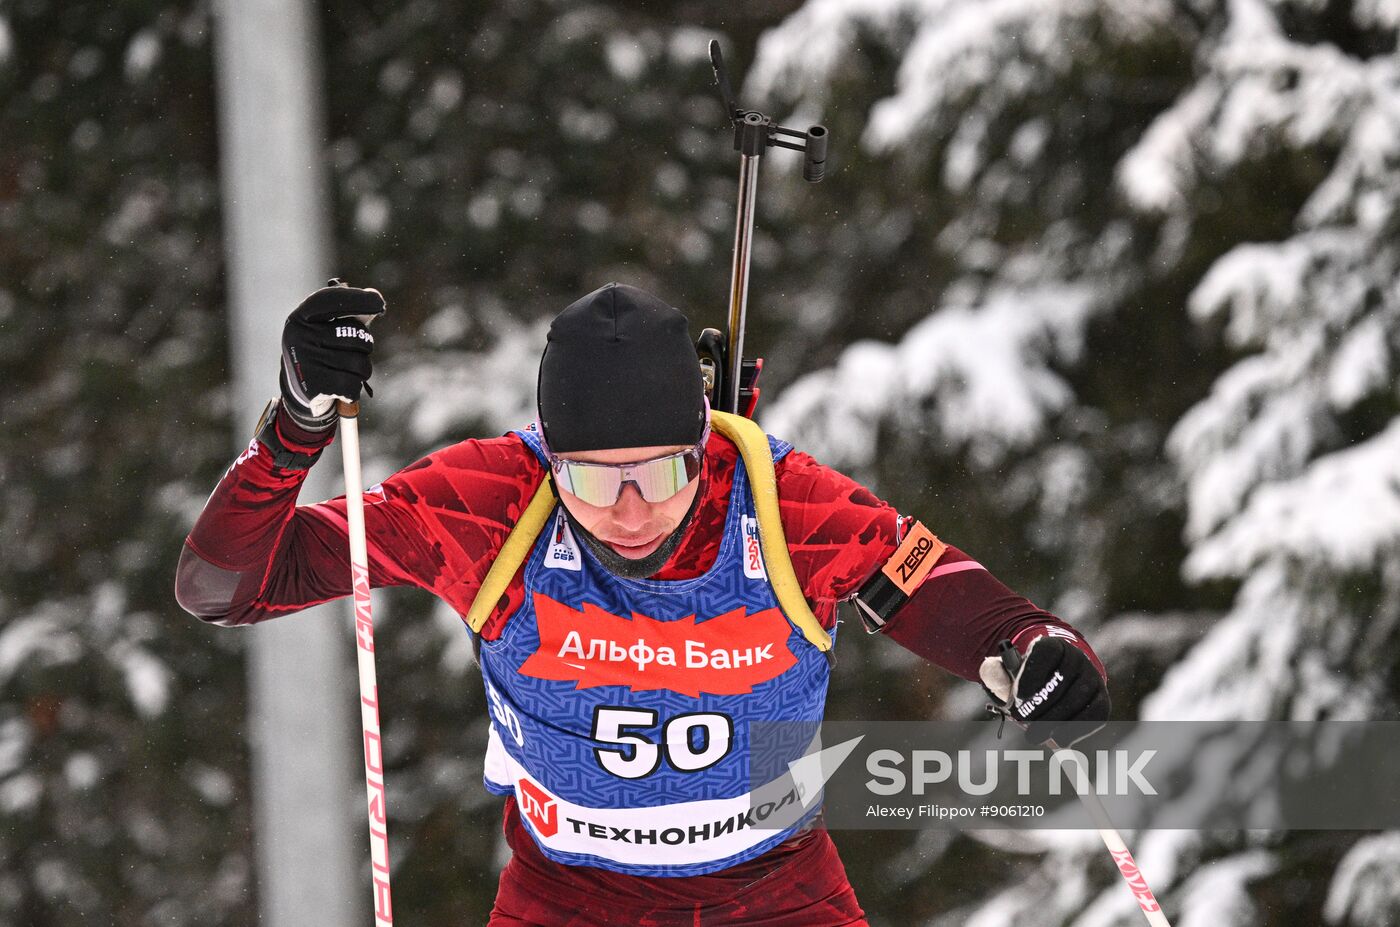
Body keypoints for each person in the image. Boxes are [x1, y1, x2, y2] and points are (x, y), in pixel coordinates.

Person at [176, 281, 1110, 926]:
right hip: (569, 897)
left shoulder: (776, 500)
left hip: (776, 894)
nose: (629, 510)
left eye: (662, 472)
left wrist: (1037, 653)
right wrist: (296, 426)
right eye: (590, 476)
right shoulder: (492, 502)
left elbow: (962, 608)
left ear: (704, 443)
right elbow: (225, 587)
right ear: (548, 453)